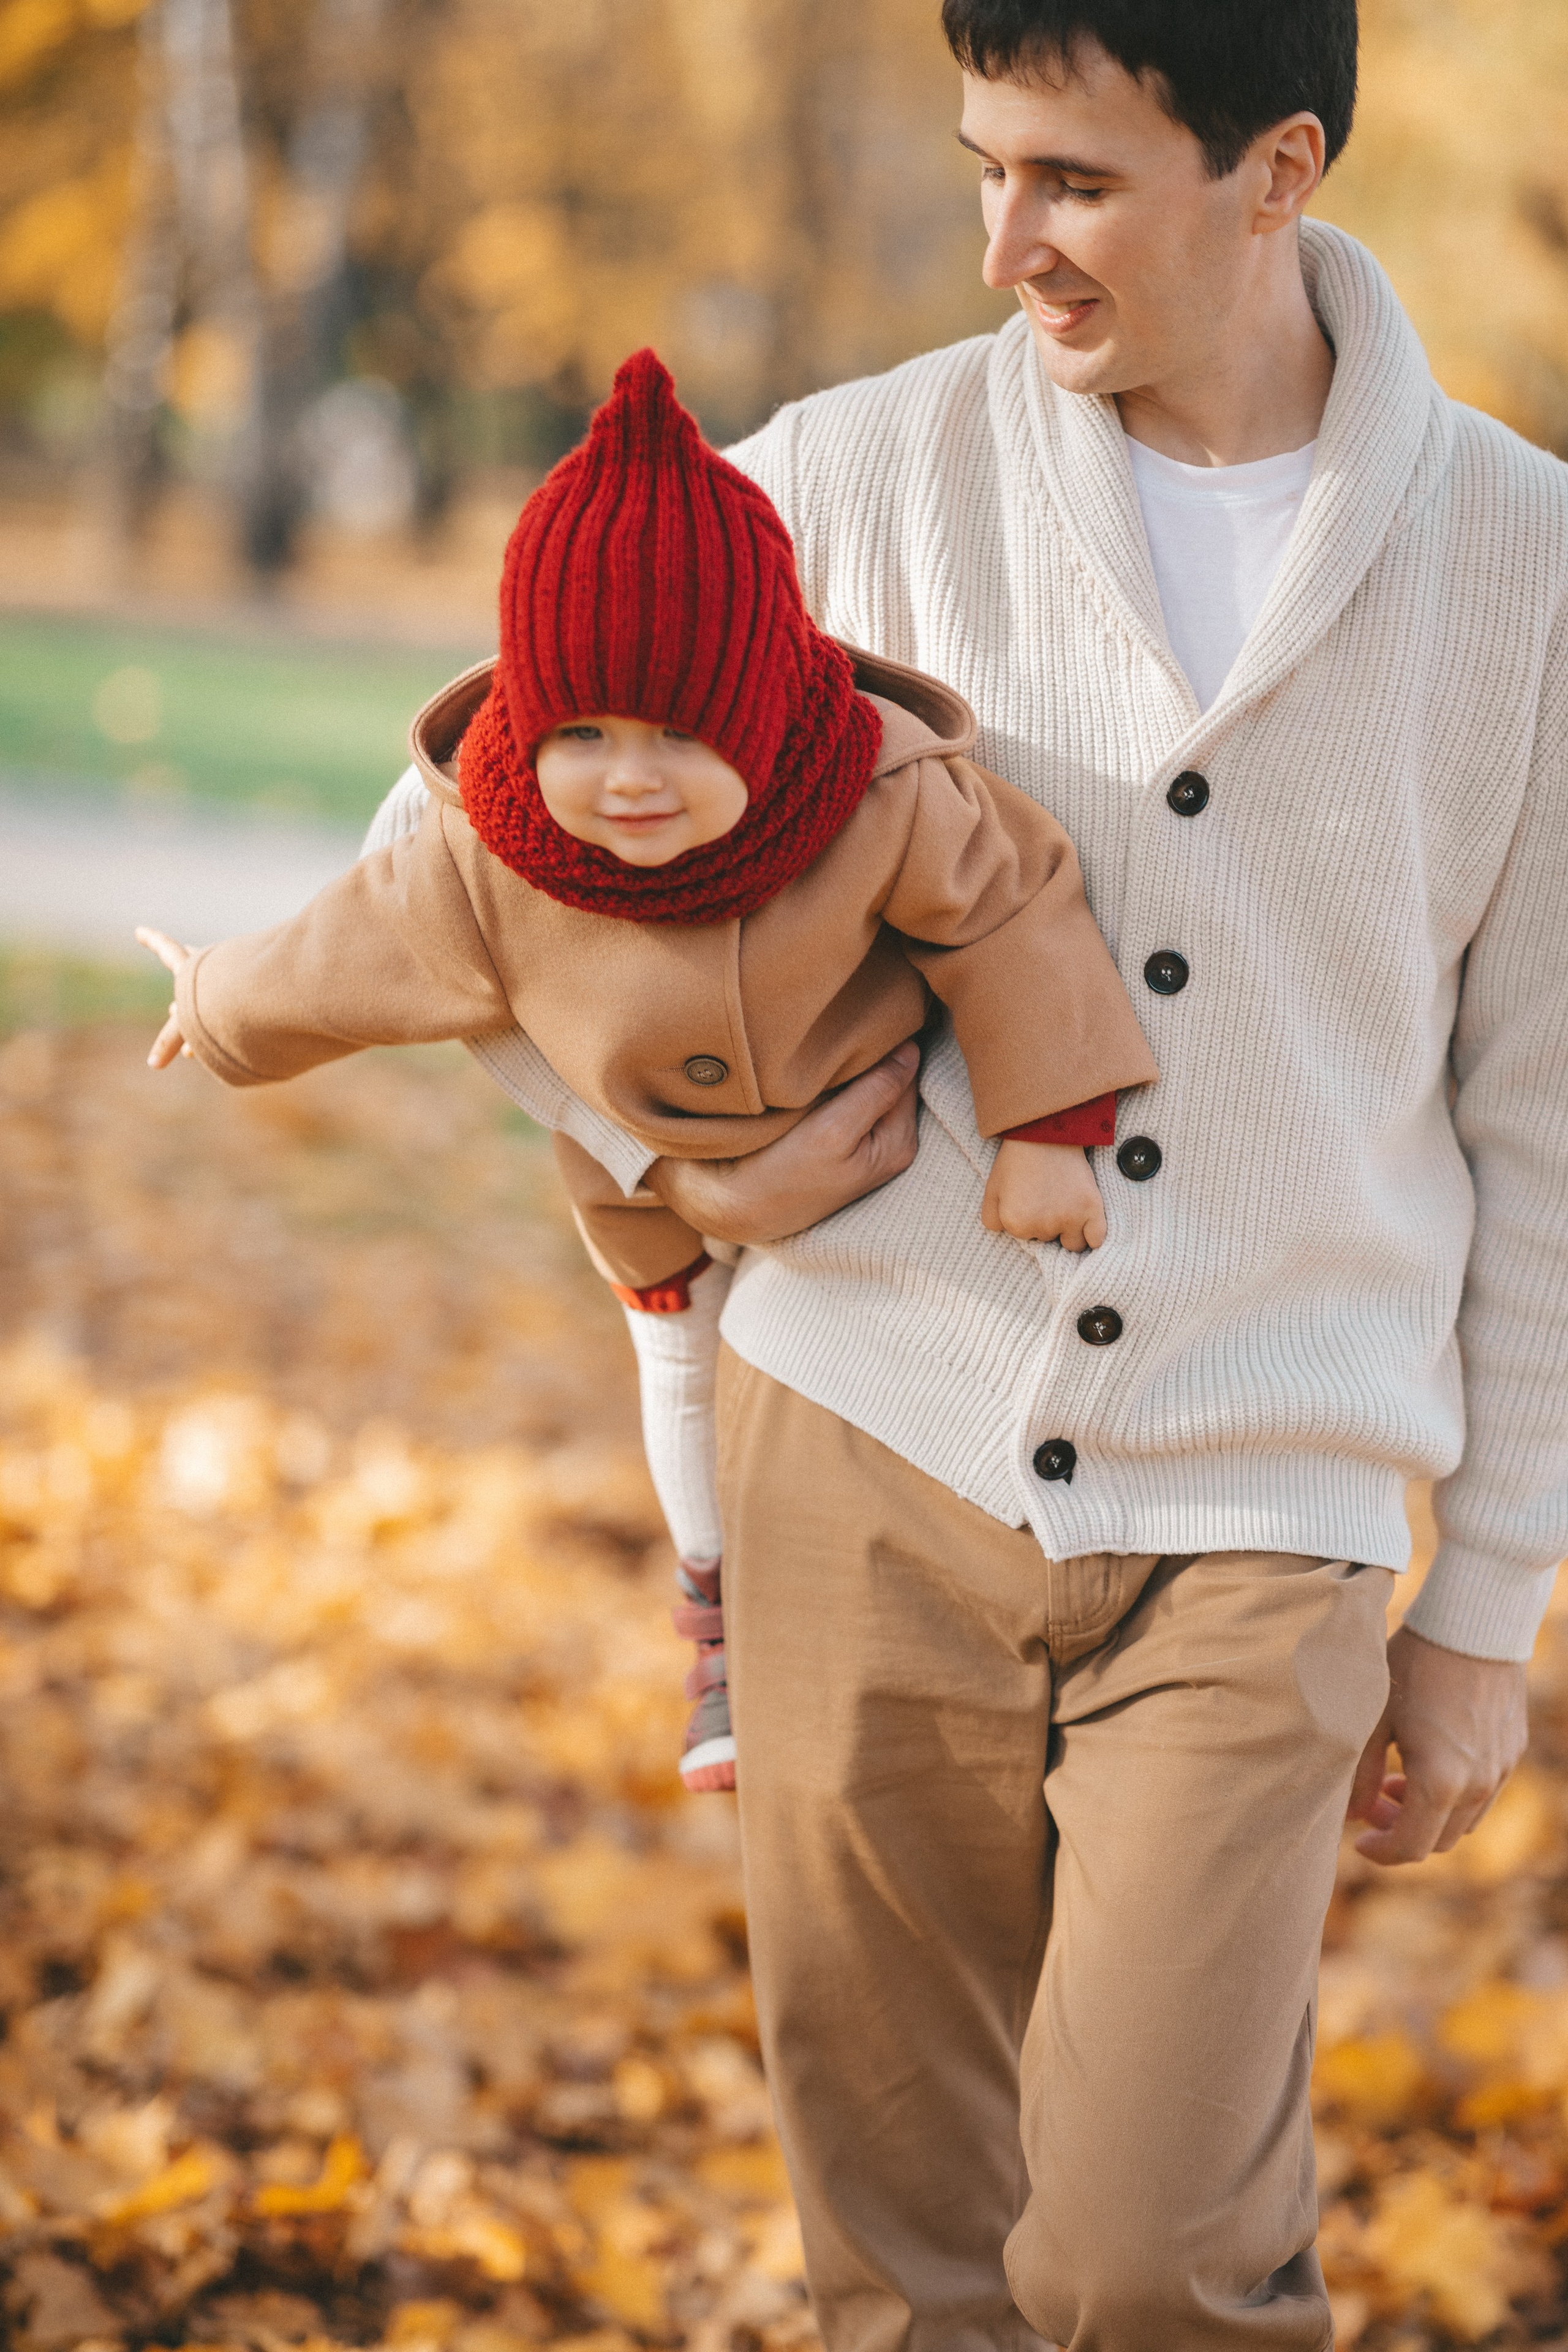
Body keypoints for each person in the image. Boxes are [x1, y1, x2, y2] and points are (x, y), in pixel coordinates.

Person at [359, 3, 1568, 2344]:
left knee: (1150, 2266)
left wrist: (1486, 1605)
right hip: (872, 1452)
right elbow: (450, 859)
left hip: (1269, 1504)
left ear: (1279, 167)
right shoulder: (839, 483)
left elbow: (1547, 1111)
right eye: (983, 166)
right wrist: (665, 1146)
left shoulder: (1526, 565)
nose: (1003, 239)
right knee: (905, 2270)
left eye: (1075, 184)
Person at [135, 347, 1158, 1798]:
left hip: (867, 1146)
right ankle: (714, 1620)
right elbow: (343, 948)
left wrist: (1047, 1124)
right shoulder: (488, 856)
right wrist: (217, 1003)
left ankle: (952, 1616)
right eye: (585, 735)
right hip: (642, 1184)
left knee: (851, 1399)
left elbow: (1013, 918)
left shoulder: (873, 797)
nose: (630, 778)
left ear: (760, 715)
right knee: (676, 1368)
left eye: (682, 734)